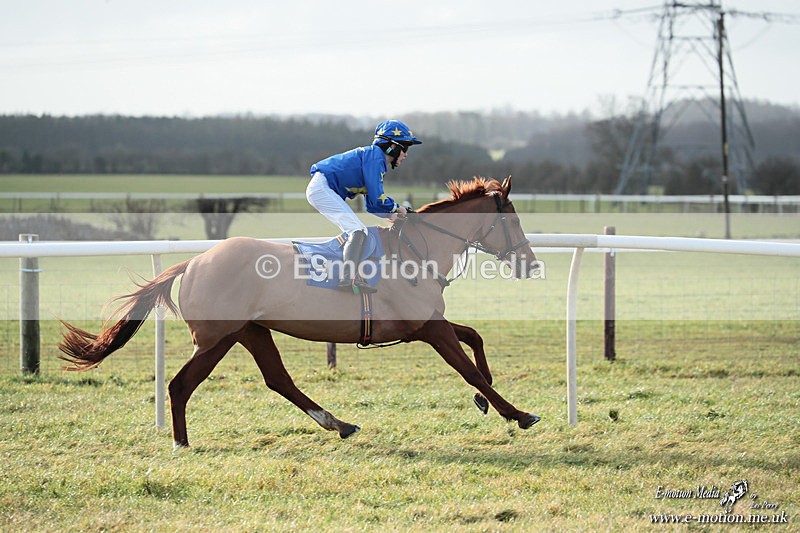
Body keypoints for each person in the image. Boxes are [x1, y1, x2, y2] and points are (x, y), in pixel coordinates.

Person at [307, 119, 422, 294]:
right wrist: (398, 208)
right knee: (357, 231)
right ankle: (348, 279)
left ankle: (349, 276)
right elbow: (378, 198)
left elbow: (372, 205)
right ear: (392, 147)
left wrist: (393, 216)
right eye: (405, 149)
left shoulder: (375, 160)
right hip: (322, 188)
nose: (405, 155)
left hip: (322, 188)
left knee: (358, 230)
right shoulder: (375, 159)